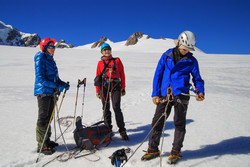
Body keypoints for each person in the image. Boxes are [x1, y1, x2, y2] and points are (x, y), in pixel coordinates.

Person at [141, 31, 205, 164]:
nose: (185, 51)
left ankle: (176, 152)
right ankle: (153, 149)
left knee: (179, 123)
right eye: (184, 49)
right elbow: (158, 75)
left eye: (188, 49)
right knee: (157, 121)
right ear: (179, 44)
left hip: (181, 94)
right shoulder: (166, 56)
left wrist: (200, 91)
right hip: (165, 94)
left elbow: (197, 79)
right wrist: (155, 93)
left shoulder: (192, 61)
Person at [34, 38, 70, 155]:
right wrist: (55, 86)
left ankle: (47, 140)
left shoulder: (51, 60)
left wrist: (62, 84)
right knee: (43, 117)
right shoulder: (40, 57)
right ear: (44, 47)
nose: (53, 48)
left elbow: (55, 78)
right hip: (43, 91)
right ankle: (41, 145)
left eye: (54, 46)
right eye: (50, 46)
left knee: (49, 117)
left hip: (51, 92)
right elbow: (41, 79)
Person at [95, 43, 129, 141]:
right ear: (102, 51)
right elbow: (97, 77)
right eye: (105, 50)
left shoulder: (117, 60)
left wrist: (123, 88)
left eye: (108, 49)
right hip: (104, 86)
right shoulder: (100, 63)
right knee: (105, 107)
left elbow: (122, 74)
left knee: (116, 106)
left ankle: (122, 130)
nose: (107, 51)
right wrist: (98, 91)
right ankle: (108, 128)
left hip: (115, 85)